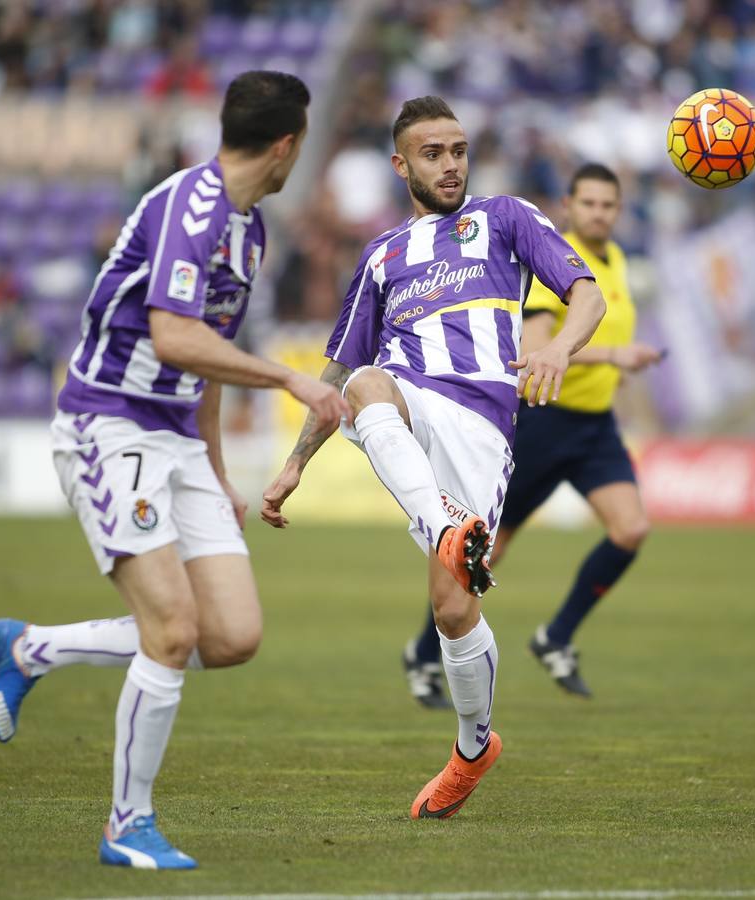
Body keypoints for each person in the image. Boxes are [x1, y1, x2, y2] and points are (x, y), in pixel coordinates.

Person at [0, 71, 350, 870]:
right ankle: (126, 824)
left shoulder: (248, 232)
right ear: (286, 144)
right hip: (107, 425)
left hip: (180, 438)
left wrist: (215, 470)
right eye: (301, 142)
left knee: (231, 635)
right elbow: (176, 336)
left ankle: (31, 650)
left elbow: (205, 362)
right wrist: (288, 377)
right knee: (174, 630)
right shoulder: (192, 208)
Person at [259, 96, 606, 820]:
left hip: (481, 423)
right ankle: (447, 525)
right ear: (401, 163)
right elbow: (337, 373)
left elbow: (586, 294)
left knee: (453, 613)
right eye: (432, 153)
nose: (449, 165)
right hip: (408, 399)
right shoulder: (382, 256)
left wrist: (557, 347)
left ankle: (473, 747)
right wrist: (295, 462)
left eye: (457, 151)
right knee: (366, 381)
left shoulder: (505, 217)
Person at [403, 163, 663, 705]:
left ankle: (556, 636)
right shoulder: (558, 264)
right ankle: (423, 656)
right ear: (568, 206)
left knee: (631, 528)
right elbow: (540, 347)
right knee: (481, 555)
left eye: (608, 204)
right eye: (588, 203)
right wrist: (615, 355)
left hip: (594, 427)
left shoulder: (616, 264)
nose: (599, 212)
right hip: (544, 423)